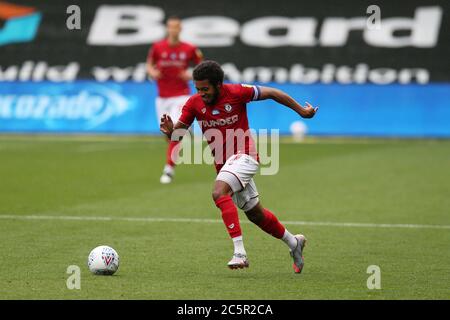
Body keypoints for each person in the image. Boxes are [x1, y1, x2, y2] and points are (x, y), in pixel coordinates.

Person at [160, 60, 318, 273]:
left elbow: (271, 92)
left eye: (205, 89)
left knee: (218, 192)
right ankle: (294, 243)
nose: (201, 93)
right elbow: (178, 134)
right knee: (255, 214)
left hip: (246, 155)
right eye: (198, 89)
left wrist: (301, 111)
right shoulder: (194, 103)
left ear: (218, 84)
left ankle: (239, 253)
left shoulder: (236, 92)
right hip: (225, 165)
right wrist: (170, 131)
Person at [147, 16, 203, 184]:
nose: (173, 30)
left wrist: (192, 74)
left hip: (181, 95)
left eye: (176, 27)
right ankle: (188, 128)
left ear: (180, 29)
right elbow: (149, 64)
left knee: (176, 134)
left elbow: (203, 66)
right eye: (170, 27)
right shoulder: (158, 47)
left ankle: (168, 169)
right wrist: (151, 72)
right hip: (162, 98)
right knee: (168, 134)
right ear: (167, 28)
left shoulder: (189, 48)